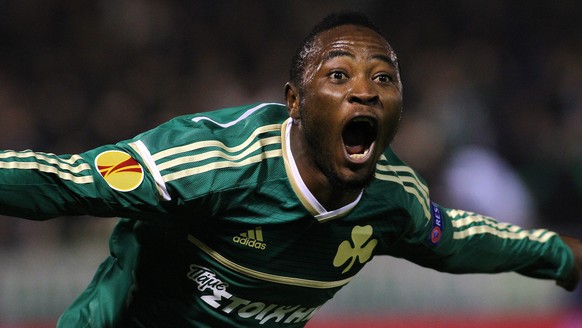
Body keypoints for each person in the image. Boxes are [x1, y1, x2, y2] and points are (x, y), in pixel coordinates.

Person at [0, 11, 581, 328]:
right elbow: (62, 180)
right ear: (294, 101)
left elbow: (457, 239)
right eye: (338, 75)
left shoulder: (392, 199)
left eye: (383, 78)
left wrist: (562, 256)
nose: (365, 92)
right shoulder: (212, 161)